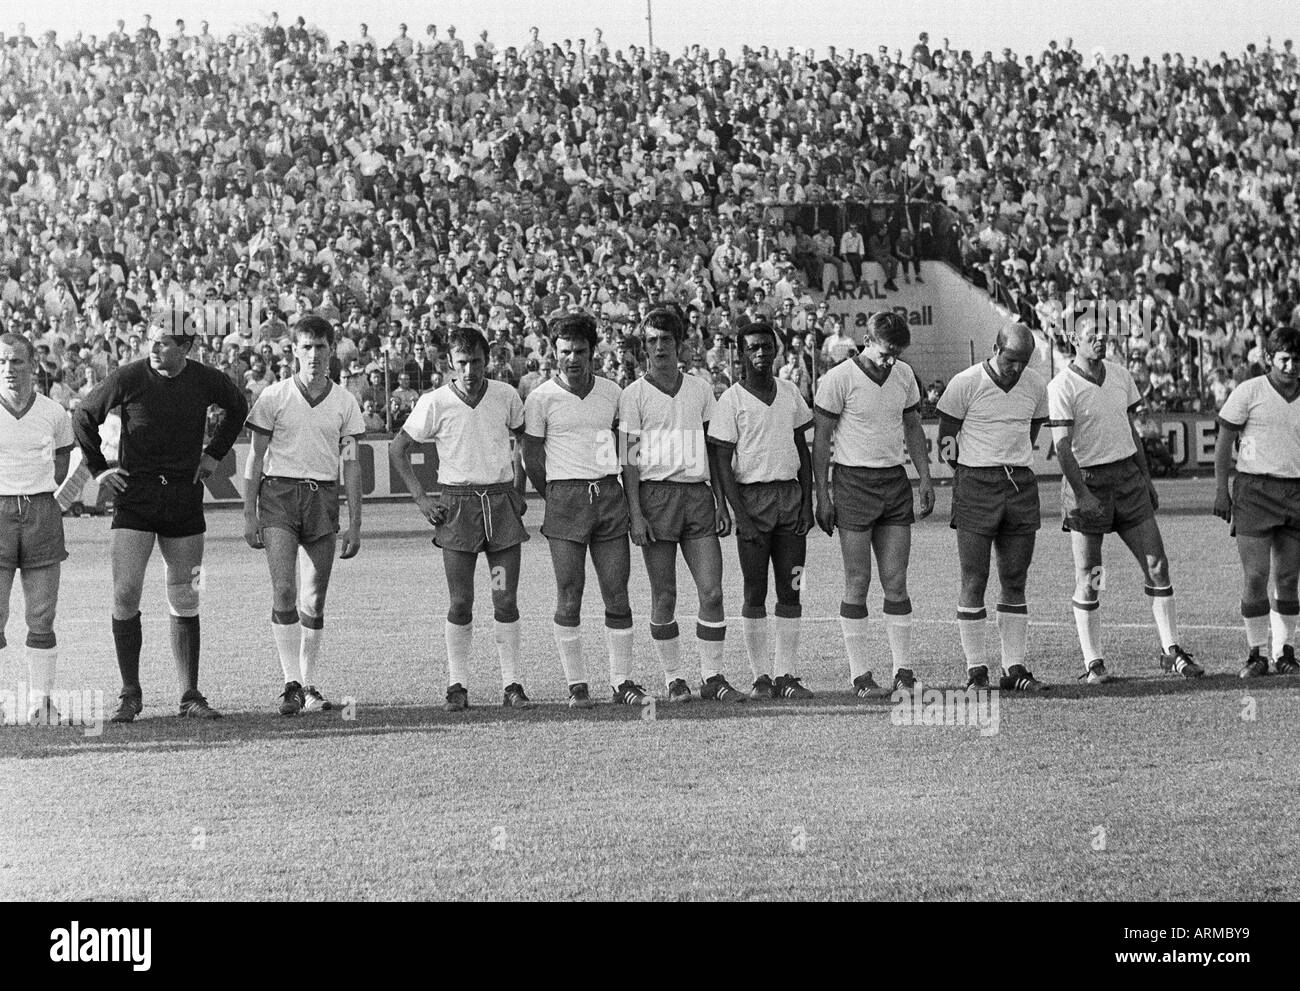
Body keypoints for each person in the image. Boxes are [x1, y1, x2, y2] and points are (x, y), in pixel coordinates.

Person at [74, 322, 248, 721]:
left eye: (164, 342)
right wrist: (100, 469)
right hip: (135, 498)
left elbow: (238, 407)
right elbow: (84, 415)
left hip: (185, 497)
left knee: (187, 594)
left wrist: (215, 452)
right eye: (152, 340)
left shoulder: (205, 379)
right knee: (124, 593)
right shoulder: (130, 376)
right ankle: (130, 694)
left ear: (186, 347)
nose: (154, 348)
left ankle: (189, 695)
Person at [1047, 318, 1202, 683]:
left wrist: (1145, 479)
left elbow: (1129, 428)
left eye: (1103, 335)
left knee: (1157, 565)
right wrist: (1082, 495)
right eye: (1091, 336)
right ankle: (1093, 663)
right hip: (1088, 483)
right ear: (1073, 340)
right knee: (1091, 577)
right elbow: (1062, 447)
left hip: (1128, 481)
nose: (1100, 341)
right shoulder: (1062, 385)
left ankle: (1171, 651)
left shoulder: (1120, 376)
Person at [389, 327, 532, 711]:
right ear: (450, 363)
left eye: (477, 362)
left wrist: (518, 489)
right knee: (461, 600)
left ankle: (512, 684)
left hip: (500, 510)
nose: (470, 370)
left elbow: (523, 440)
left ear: (489, 360)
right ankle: (457, 684)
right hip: (458, 509)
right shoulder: (435, 402)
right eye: (463, 362)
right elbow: (398, 448)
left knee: (504, 597)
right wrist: (421, 499)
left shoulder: (505, 395)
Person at [522, 312, 648, 708]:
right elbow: (532, 458)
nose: (571, 359)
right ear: (553, 353)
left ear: (593, 352)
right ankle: (577, 684)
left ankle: (621, 681)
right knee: (569, 593)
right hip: (565, 500)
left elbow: (628, 450)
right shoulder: (540, 398)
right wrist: (557, 494)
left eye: (579, 351)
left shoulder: (614, 392)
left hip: (609, 494)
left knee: (617, 592)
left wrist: (632, 504)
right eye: (564, 352)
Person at [619, 306, 745, 703]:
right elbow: (628, 458)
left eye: (666, 340)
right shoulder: (633, 395)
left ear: (680, 345)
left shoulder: (700, 388)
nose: (660, 347)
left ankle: (713, 676)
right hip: (656, 497)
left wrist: (722, 503)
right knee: (665, 595)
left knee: (712, 592)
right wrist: (636, 513)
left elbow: (713, 446)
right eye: (652, 340)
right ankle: (675, 678)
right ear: (644, 347)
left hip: (697, 494)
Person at [243, 315, 365, 715]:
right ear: (294, 351)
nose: (314, 355)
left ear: (332, 350)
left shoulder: (345, 402)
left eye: (321, 347)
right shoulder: (273, 397)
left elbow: (350, 464)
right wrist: (248, 512)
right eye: (306, 347)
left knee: (314, 599)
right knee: (283, 592)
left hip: (322, 497)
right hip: (278, 495)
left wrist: (356, 523)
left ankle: (310, 685)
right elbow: (256, 458)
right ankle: (291, 683)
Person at [813, 310, 935, 698]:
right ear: (867, 341)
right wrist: (823, 493)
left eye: (897, 352)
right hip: (852, 483)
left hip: (893, 481)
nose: (890, 359)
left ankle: (903, 671)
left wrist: (925, 477)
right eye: (885, 352)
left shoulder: (903, 375)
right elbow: (821, 439)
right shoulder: (838, 378)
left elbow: (913, 427)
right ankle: (860, 674)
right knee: (858, 580)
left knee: (896, 581)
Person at [936, 324, 1050, 691]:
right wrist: (971, 472)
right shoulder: (965, 382)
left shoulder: (1034, 385)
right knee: (974, 578)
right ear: (994, 348)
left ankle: (1014, 668)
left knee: (1015, 579)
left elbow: (1031, 430)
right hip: (975, 485)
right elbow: (946, 440)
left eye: (1023, 361)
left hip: (1019, 484)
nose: (1016, 368)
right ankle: (976, 670)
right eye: (1010, 359)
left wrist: (1009, 460)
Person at [708, 322, 816, 699]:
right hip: (751, 501)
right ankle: (761, 677)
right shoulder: (731, 400)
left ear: (776, 350)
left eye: (767, 347)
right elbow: (721, 461)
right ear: (741, 352)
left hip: (789, 501)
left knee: (792, 587)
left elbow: (801, 448)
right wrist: (739, 514)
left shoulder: (789, 393)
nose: (761, 354)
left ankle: (786, 674)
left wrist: (807, 501)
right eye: (753, 347)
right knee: (755, 590)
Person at [1213, 326, 1300, 677]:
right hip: (1254, 492)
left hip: (1296, 492)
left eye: (1297, 359)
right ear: (1268, 359)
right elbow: (1223, 445)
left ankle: (1285, 653)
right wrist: (1222, 491)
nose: (1292, 366)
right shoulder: (1249, 391)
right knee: (1255, 576)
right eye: (1284, 359)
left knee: (1289, 577)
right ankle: (1256, 654)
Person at [0, 333, 74, 724]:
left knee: (42, 614)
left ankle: (40, 702)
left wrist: (37, 492)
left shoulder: (53, 412)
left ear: (32, 365)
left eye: (16, 362)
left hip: (41, 510)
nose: (9, 369)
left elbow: (63, 464)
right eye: (2, 362)